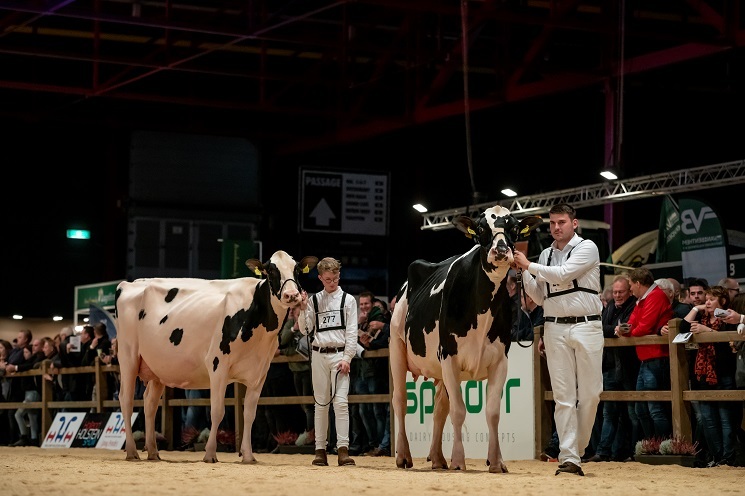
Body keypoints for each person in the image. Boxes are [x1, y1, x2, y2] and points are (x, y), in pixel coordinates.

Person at [513, 202, 603, 476]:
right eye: (552, 223)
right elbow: (540, 297)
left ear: (574, 223)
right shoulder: (545, 254)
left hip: (587, 326)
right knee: (563, 397)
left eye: (561, 222)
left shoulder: (587, 247)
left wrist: (529, 264)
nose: (555, 228)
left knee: (591, 395)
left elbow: (564, 275)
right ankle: (569, 456)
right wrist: (524, 272)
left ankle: (579, 446)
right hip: (554, 328)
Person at [298, 257, 358, 467]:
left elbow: (352, 333)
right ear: (320, 278)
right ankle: (320, 450)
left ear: (339, 276)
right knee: (321, 404)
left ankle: (343, 449)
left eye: (334, 278)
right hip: (318, 355)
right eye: (327, 279)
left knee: (341, 403)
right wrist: (304, 308)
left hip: (339, 354)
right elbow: (306, 330)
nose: (331, 283)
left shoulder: (348, 300)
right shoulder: (314, 301)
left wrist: (347, 357)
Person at [584, 275, 638, 463]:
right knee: (610, 411)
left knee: (632, 412)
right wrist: (614, 331)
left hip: (630, 366)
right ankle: (604, 452)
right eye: (615, 292)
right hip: (610, 367)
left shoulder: (634, 306)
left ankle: (634, 450)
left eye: (621, 292)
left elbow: (627, 327)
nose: (617, 295)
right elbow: (601, 328)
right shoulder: (611, 308)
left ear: (629, 292)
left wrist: (615, 330)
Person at [683, 286, 739, 466]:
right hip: (702, 376)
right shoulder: (702, 318)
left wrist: (706, 331)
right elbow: (682, 328)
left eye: (711, 299)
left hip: (723, 373)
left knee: (725, 419)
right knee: (708, 420)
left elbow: (730, 342)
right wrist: (695, 308)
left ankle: (728, 458)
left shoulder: (727, 318)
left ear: (722, 302)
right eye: (706, 298)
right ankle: (716, 456)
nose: (706, 301)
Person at [618, 267, 673, 441]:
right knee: (641, 408)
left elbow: (644, 327)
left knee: (654, 407)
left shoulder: (655, 296)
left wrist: (626, 331)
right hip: (646, 358)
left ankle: (663, 444)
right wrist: (625, 329)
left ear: (638, 283)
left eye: (631, 285)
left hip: (657, 357)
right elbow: (632, 323)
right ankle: (653, 444)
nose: (630, 289)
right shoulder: (643, 298)